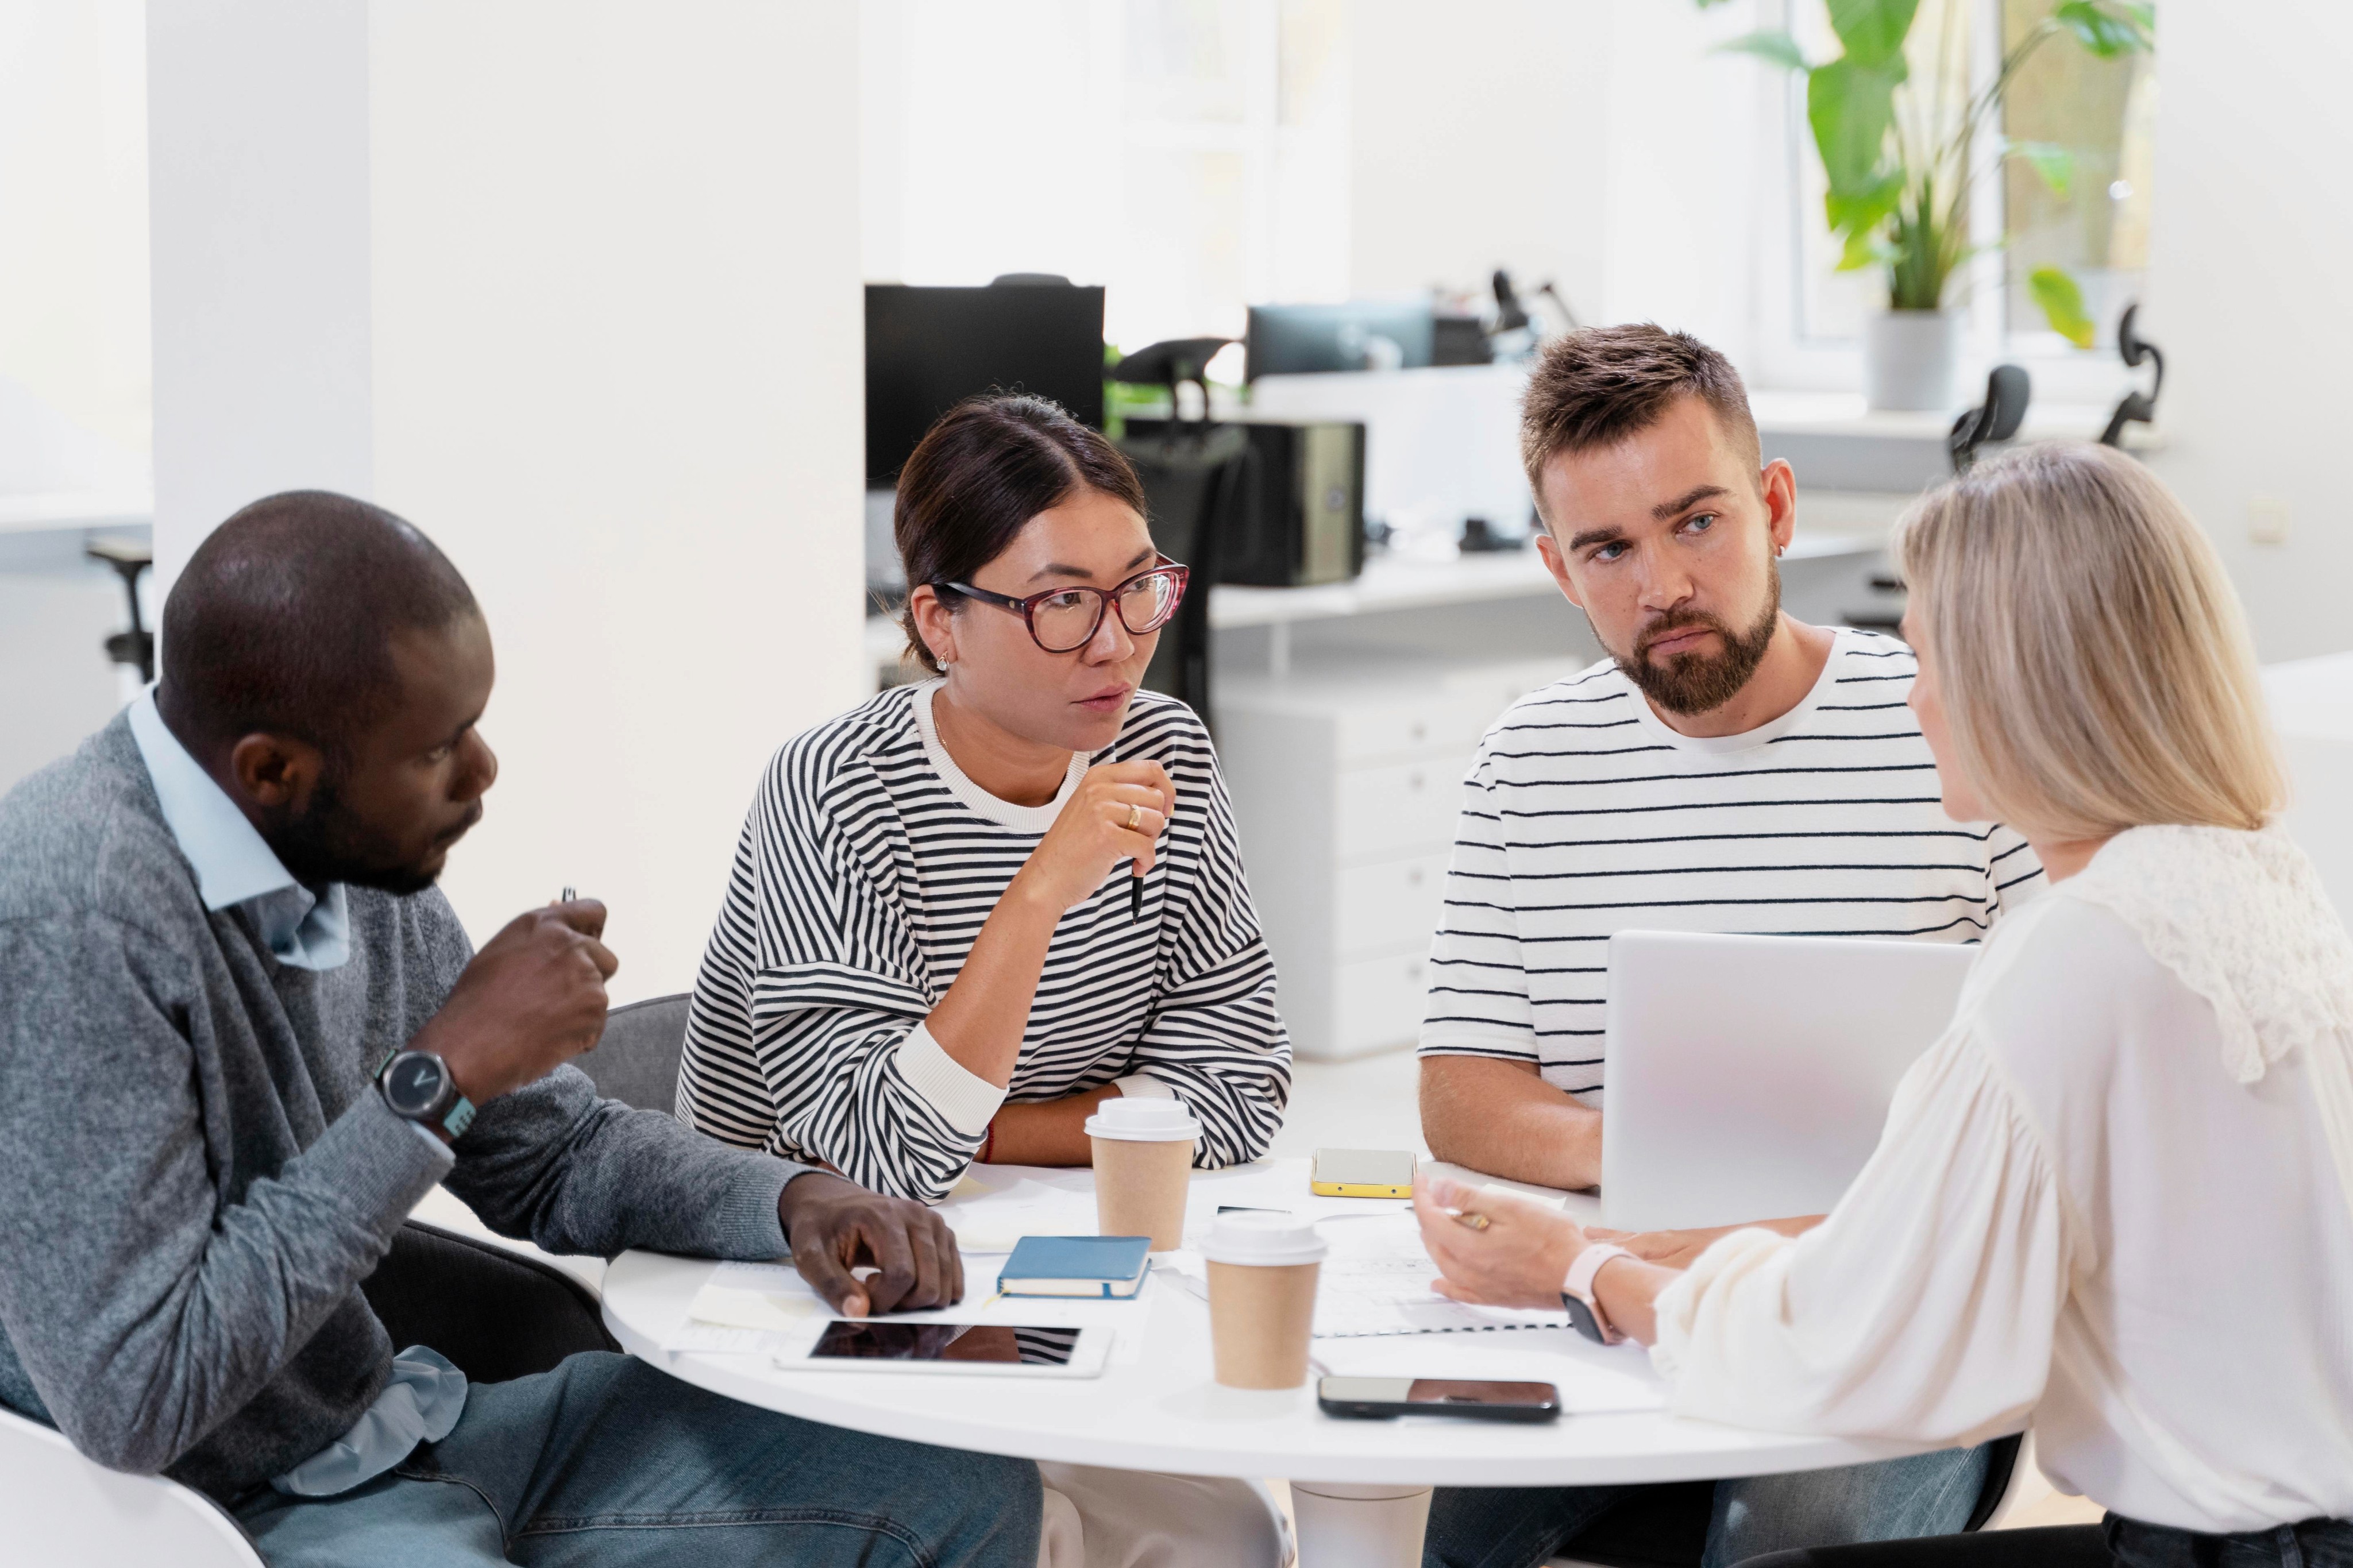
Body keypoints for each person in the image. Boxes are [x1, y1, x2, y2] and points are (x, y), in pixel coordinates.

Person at [0, 492, 1039, 1567]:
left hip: (416, 1427)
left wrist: (789, 1196)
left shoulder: (349, 854)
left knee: (955, 1486)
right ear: (272, 771)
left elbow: (553, 1154)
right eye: (440, 750)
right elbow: (137, 1395)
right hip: (224, 1518)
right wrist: (440, 1074)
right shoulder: (72, 914)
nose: (484, 773)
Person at [1415, 442, 2353, 1568]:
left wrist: (1578, 1271)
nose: (1912, 703)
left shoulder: (2080, 949)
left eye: (1925, 661)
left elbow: (1860, 1343)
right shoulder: (2254, 876)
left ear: (2021, 679)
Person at [1415, 324, 2039, 1565]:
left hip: (1886, 1312)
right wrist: (1673, 1168)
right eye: (1607, 548)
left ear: (1774, 505)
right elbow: (1461, 1093)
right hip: (1607, 1289)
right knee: (1465, 1545)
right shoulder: (1525, 765)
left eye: (1694, 522)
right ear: (1556, 566)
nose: (1659, 585)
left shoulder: (1950, 722)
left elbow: (2054, 1080)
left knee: (1778, 1538)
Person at [678, 392, 1294, 1566]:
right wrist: (1040, 890)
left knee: (1228, 1531)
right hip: (822, 1296)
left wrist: (988, 1132)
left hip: (1045, 1267)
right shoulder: (833, 788)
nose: (1114, 641)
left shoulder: (1163, 749)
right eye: (1060, 602)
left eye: (1135, 589)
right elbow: (872, 1160)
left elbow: (1235, 1088)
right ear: (940, 621)